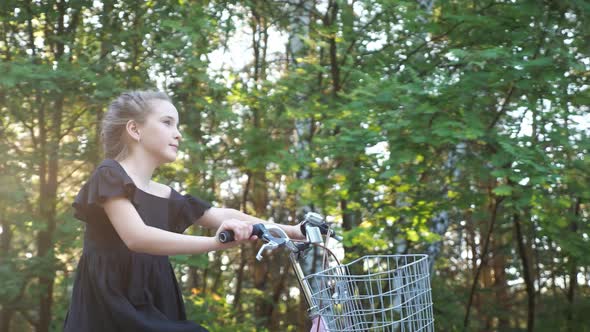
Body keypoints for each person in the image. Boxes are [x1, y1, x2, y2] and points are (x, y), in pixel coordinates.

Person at [63, 90, 304, 332]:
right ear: (135, 130)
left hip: (155, 301)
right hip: (113, 308)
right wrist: (215, 243)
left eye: (177, 125)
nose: (178, 134)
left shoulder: (164, 194)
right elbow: (137, 237)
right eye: (167, 122)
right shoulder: (109, 174)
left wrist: (294, 231)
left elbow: (221, 214)